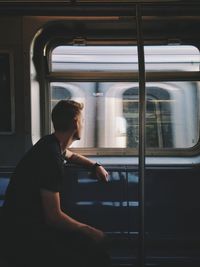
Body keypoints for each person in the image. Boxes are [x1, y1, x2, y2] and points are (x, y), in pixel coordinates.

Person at [1, 100, 111, 267]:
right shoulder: (50, 158)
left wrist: (95, 165)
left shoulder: (51, 143)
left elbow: (70, 155)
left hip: (18, 226)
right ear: (75, 122)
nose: (83, 124)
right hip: (22, 235)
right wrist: (90, 231)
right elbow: (54, 217)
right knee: (93, 249)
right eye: (82, 120)